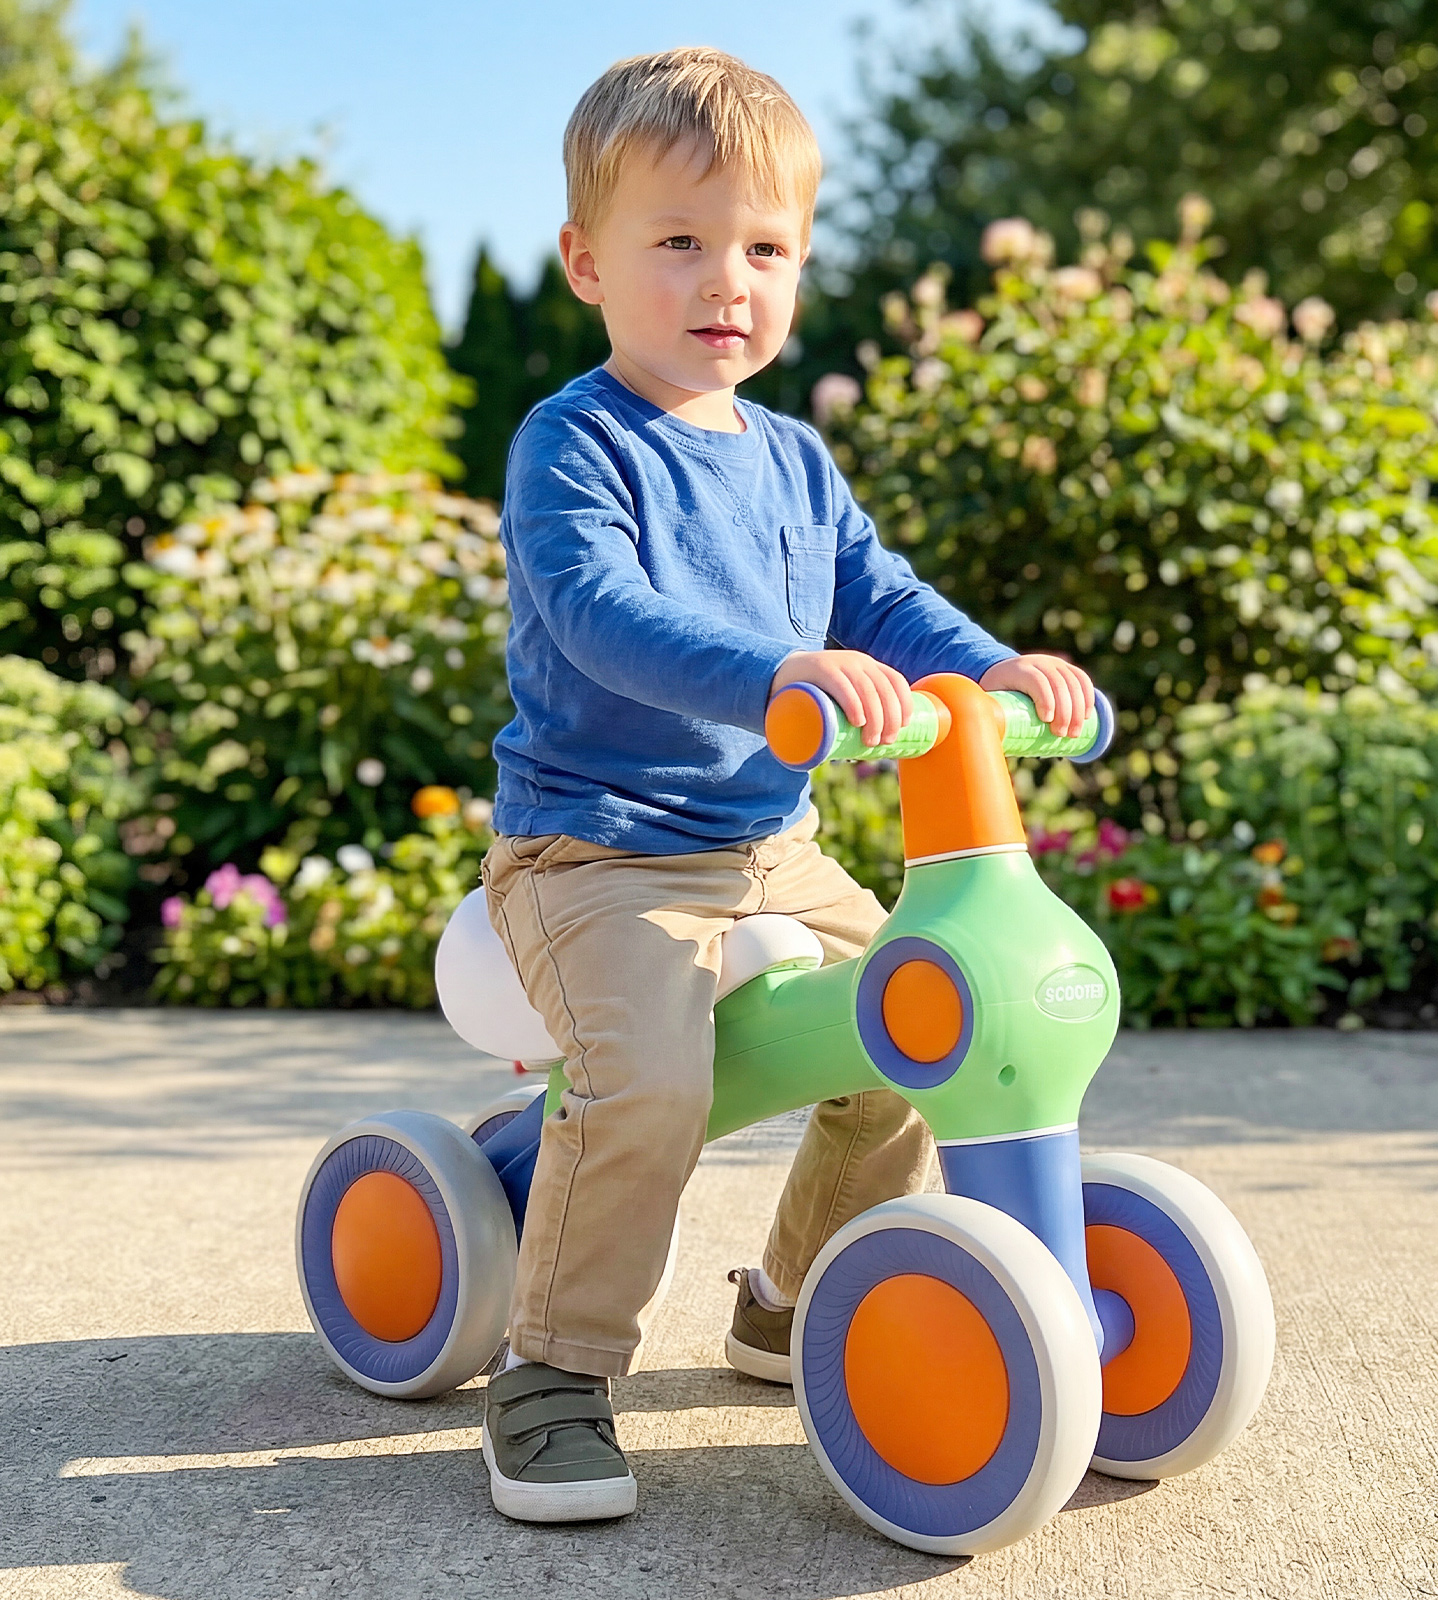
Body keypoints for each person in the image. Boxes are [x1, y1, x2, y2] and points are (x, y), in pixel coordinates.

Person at [477, 45, 1095, 1524]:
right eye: (678, 242)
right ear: (588, 261)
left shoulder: (796, 461)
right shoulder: (574, 443)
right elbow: (596, 612)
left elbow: (883, 602)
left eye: (763, 248)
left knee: (918, 1025)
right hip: (595, 856)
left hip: (770, 848)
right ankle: (554, 1370)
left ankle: (794, 1302)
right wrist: (770, 676)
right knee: (649, 1081)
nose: (724, 282)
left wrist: (1000, 673)